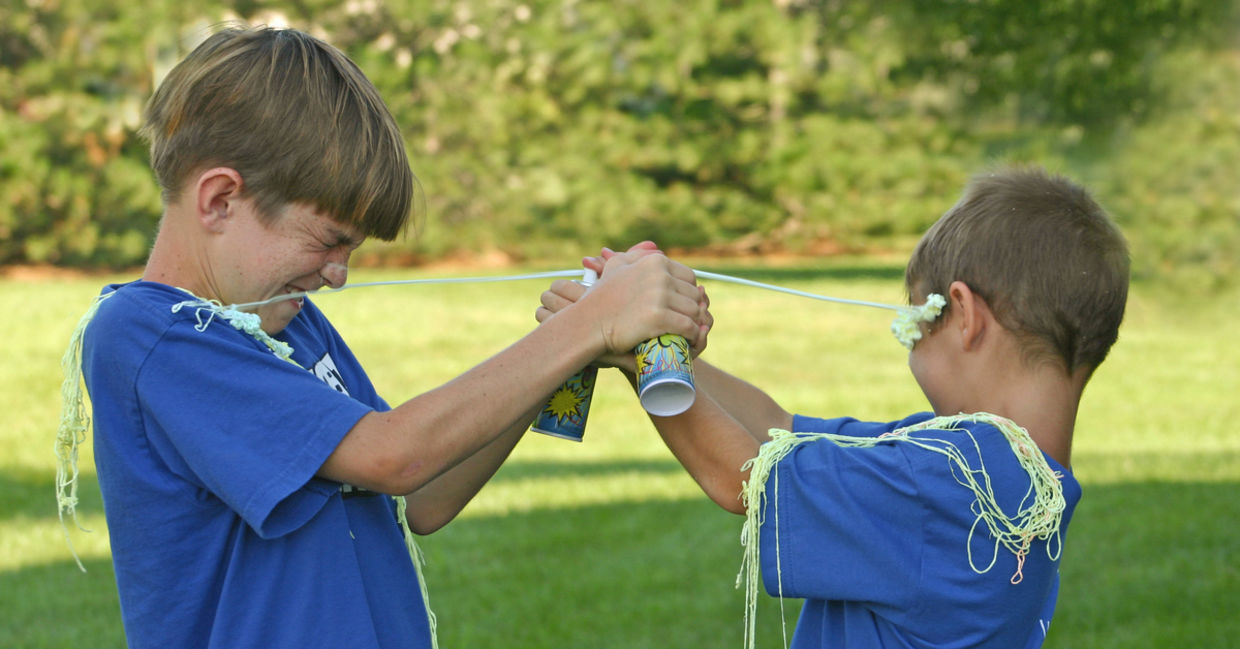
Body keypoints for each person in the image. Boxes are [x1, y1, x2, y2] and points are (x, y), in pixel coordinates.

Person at [63, 25, 709, 649]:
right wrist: (586, 325)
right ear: (220, 201)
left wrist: (575, 347)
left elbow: (423, 495)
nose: (338, 275)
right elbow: (393, 456)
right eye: (330, 240)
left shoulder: (284, 321)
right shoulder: (150, 340)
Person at [539, 167, 1130, 648]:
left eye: (914, 319)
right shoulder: (994, 467)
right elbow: (782, 432)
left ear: (963, 315)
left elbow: (748, 477)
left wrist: (646, 350)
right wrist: (647, 345)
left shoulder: (954, 479)